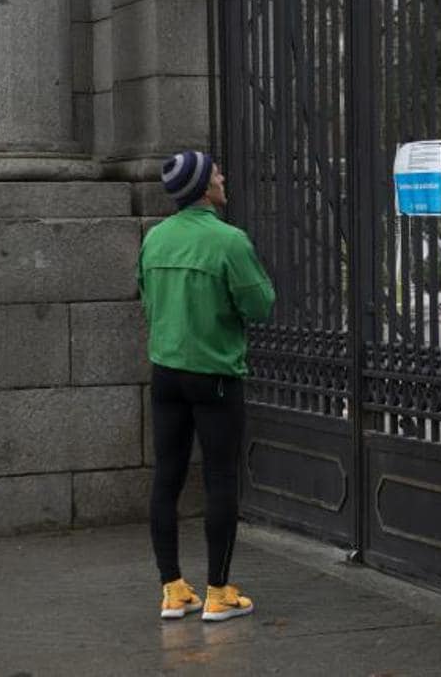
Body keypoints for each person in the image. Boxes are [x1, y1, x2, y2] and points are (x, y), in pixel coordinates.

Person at [137, 150, 276, 622]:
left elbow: (144, 297)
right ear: (202, 188)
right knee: (219, 479)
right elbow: (260, 305)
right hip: (214, 374)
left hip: (166, 372)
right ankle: (219, 593)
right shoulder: (228, 240)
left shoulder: (154, 240)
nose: (223, 175)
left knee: (167, 477)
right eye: (216, 171)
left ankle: (172, 589)